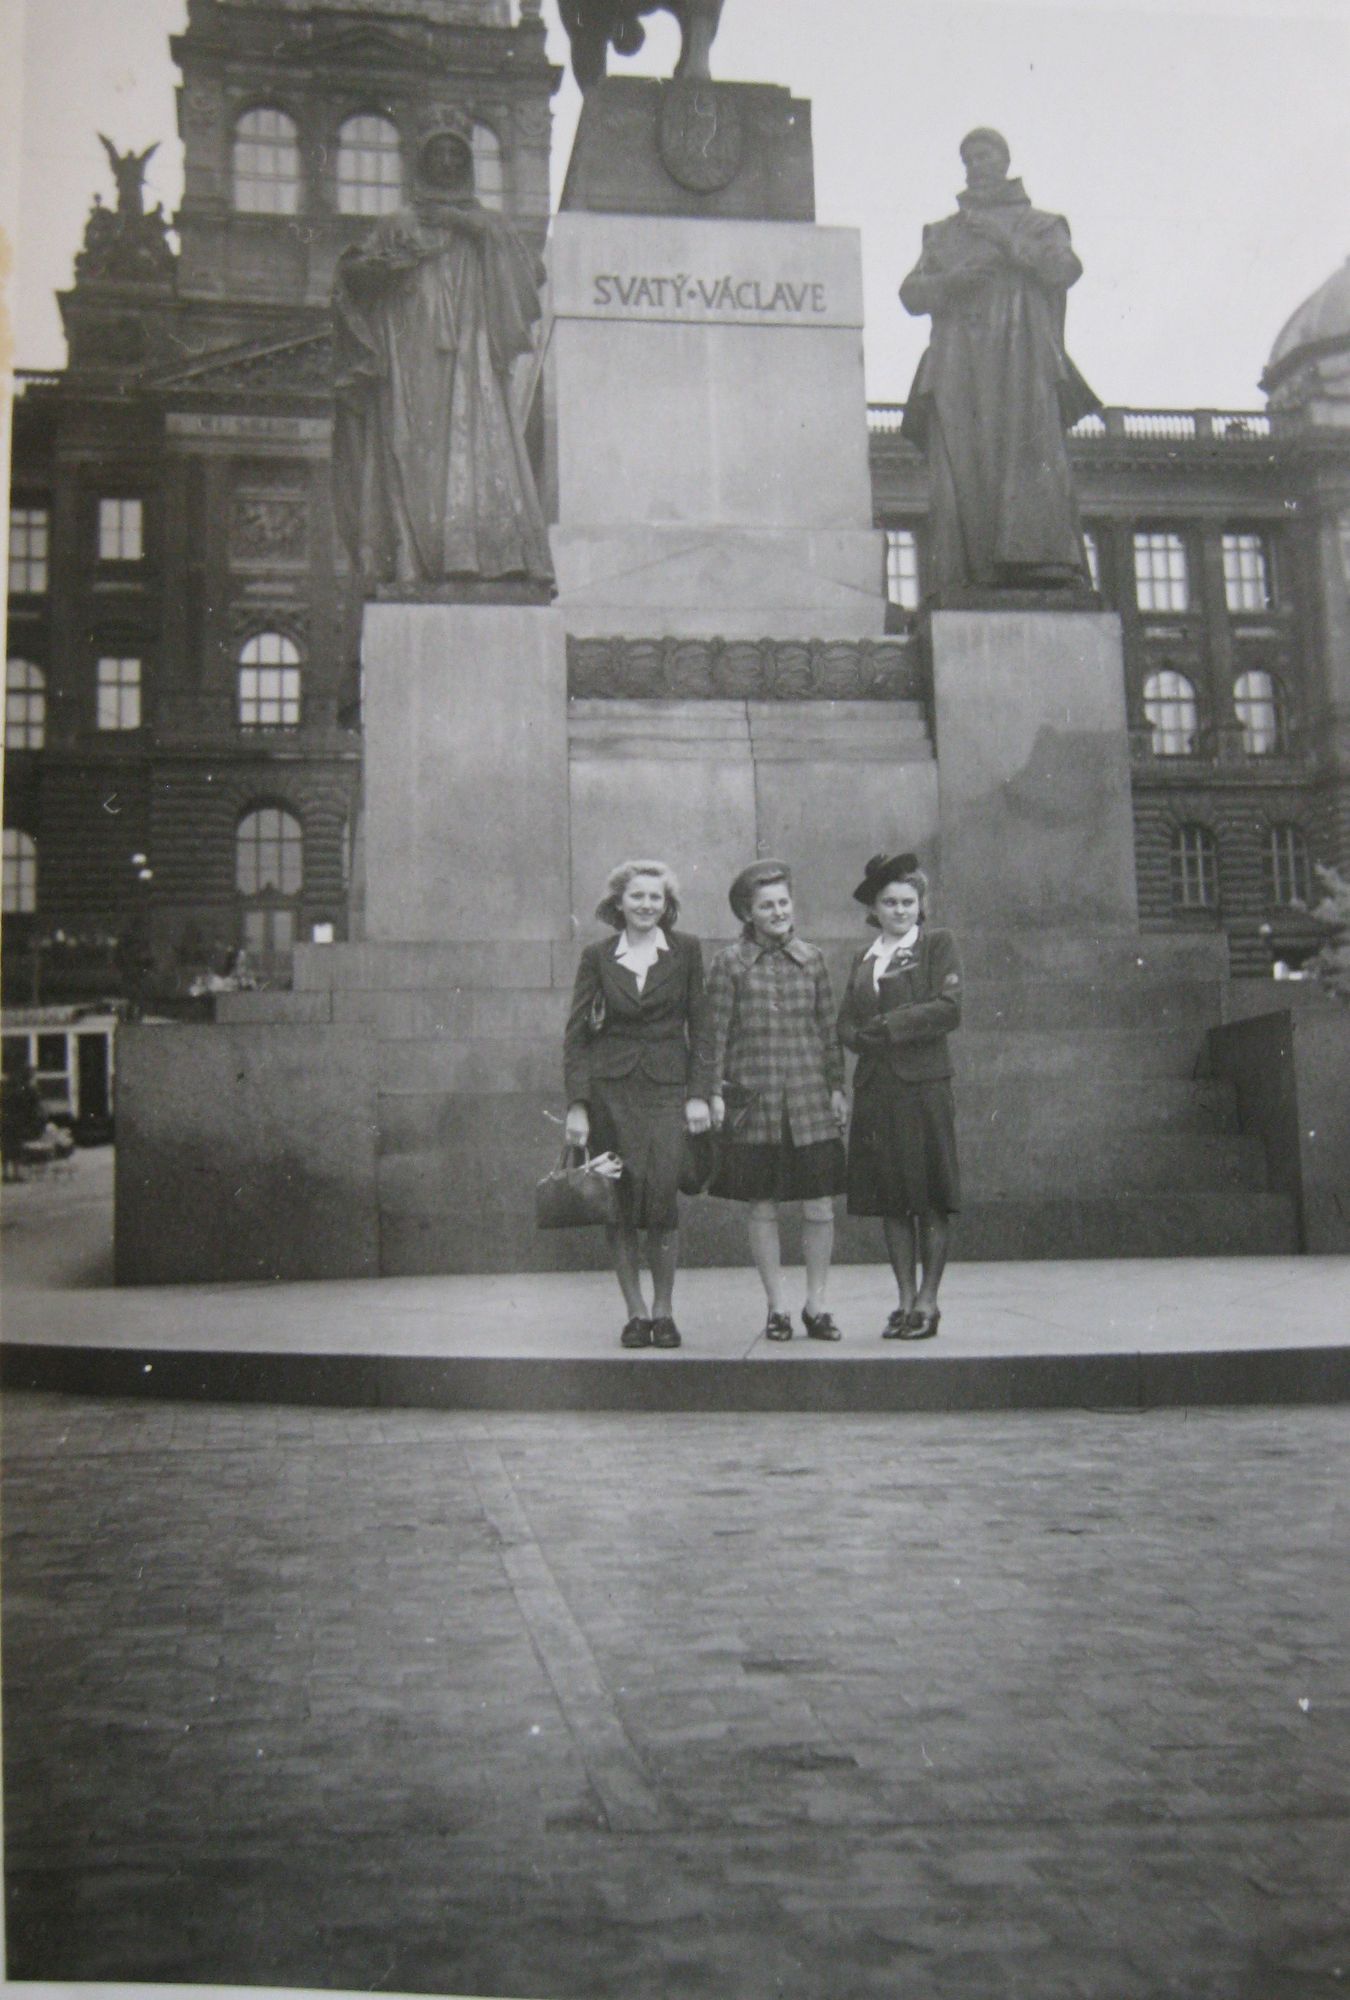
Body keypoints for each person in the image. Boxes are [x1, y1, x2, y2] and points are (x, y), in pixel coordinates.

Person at [332, 119, 554, 590]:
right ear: (423, 163)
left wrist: (477, 230)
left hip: (471, 354)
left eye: (457, 155)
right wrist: (380, 268)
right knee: (412, 446)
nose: (448, 163)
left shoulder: (488, 223)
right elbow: (353, 279)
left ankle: (479, 555)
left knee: (476, 443)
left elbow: (531, 273)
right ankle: (411, 557)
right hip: (411, 350)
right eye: (439, 154)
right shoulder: (396, 224)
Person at [898, 127, 1099, 594]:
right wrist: (951, 281)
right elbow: (910, 293)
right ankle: (972, 572)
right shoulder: (944, 232)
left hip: (1019, 362)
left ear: (1005, 161)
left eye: (984, 156)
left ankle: (1037, 564)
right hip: (961, 365)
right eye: (968, 158)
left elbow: (1064, 269)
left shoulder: (1041, 224)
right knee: (964, 470)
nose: (976, 166)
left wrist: (1009, 244)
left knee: (1026, 457)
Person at [564, 861, 712, 1350]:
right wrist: (578, 1105)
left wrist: (698, 1093)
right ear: (619, 903)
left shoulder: (686, 950)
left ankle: (664, 1311)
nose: (647, 905)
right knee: (620, 1202)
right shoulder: (597, 956)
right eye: (637, 896)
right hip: (611, 1093)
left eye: (656, 897)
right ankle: (636, 1314)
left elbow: (703, 1027)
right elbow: (576, 1036)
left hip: (668, 1090)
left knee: (663, 1197)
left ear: (667, 905)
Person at [702, 860, 848, 1342]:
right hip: (755, 1103)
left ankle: (817, 1305)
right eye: (767, 905)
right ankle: (777, 1308)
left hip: (809, 1102)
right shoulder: (729, 964)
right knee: (762, 1205)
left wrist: (837, 1088)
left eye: (784, 902)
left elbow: (829, 1032)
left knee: (820, 1205)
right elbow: (714, 1036)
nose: (779, 912)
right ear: (748, 912)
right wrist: (714, 1093)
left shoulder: (814, 960)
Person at [837, 853, 962, 1340]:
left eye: (909, 902)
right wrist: (857, 1038)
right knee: (892, 1198)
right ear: (875, 908)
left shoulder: (935, 946)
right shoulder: (864, 958)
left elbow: (948, 1008)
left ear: (920, 904)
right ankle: (905, 1299)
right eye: (890, 903)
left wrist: (887, 1027)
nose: (900, 910)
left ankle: (929, 1301)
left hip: (923, 1087)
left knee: (929, 1195)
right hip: (877, 1089)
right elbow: (846, 1021)